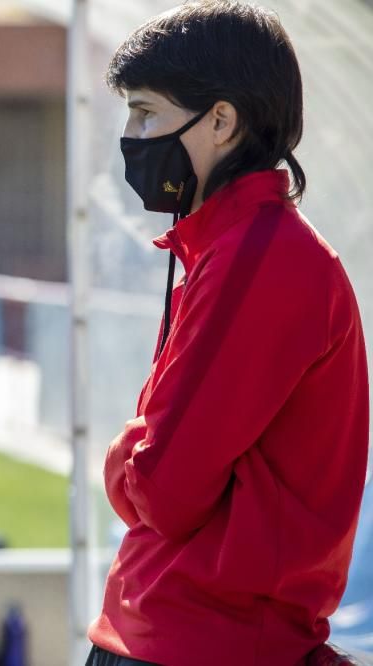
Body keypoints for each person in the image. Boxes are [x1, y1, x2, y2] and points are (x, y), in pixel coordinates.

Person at [88, 3, 368, 665]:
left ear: (221, 120)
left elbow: (163, 486)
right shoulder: (226, 248)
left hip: (204, 640)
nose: (131, 135)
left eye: (146, 112)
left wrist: (123, 449)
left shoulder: (261, 256)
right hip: (180, 630)